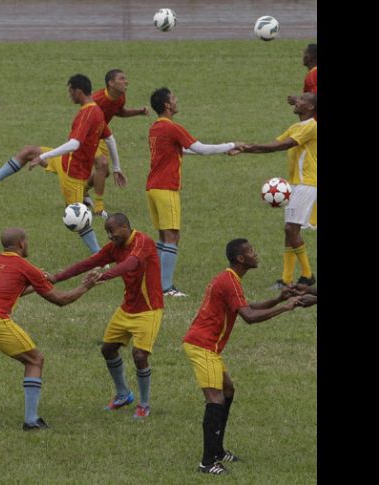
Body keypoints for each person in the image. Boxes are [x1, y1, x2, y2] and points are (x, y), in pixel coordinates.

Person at [0, 227, 100, 430]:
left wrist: (37, 282)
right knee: (35, 360)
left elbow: (11, 288)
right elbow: (61, 300)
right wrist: (86, 286)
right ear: (22, 243)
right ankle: (31, 421)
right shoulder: (25, 266)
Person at [0, 74, 122, 254]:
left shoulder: (87, 113)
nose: (69, 94)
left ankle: (99, 255)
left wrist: (44, 156)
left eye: (70, 91)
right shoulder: (97, 111)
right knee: (28, 151)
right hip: (65, 161)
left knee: (78, 219)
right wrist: (117, 167)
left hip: (72, 173)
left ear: (78, 91)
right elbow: (109, 138)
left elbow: (75, 144)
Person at [183, 238, 301, 475]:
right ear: (241, 259)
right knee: (215, 400)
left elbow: (248, 306)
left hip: (209, 347)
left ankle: (217, 450)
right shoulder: (229, 281)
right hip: (202, 345)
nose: (255, 254)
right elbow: (249, 316)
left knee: (228, 390)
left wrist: (279, 299)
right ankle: (207, 463)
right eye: (250, 252)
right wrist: (284, 308)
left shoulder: (230, 280)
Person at [44, 213, 162, 420]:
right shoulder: (115, 247)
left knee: (140, 355)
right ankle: (123, 394)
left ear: (125, 227)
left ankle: (144, 404)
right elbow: (88, 263)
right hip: (127, 308)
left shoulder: (143, 242)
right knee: (108, 349)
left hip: (149, 310)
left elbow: (130, 264)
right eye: (107, 232)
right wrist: (56, 277)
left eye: (112, 231)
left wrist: (103, 276)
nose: (109, 236)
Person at [146, 87, 240, 297]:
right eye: (173, 98)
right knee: (173, 236)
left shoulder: (155, 127)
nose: (177, 100)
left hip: (152, 188)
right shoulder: (172, 128)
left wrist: (224, 151)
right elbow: (201, 148)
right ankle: (166, 288)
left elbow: (180, 150)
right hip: (166, 187)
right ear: (167, 105)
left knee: (163, 236)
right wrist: (232, 144)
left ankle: (157, 285)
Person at [230, 93, 317, 288]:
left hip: (307, 183)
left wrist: (249, 146)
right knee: (289, 232)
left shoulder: (311, 126)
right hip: (295, 184)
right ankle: (286, 280)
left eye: (302, 100)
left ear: (310, 107)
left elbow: (283, 145)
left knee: (290, 228)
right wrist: (245, 148)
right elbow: (274, 144)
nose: (297, 102)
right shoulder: (296, 127)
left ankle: (308, 275)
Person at [85, 69, 148, 217]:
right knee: (103, 165)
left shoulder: (120, 97)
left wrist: (138, 112)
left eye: (125, 79)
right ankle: (99, 208)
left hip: (100, 136)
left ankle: (81, 191)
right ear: (111, 83)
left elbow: (119, 111)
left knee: (104, 172)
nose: (126, 82)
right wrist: (117, 167)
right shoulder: (96, 100)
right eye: (121, 79)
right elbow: (85, 120)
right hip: (87, 136)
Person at [287, 44, 317, 229]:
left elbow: (314, 101)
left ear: (311, 56)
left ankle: (311, 220)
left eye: (304, 53)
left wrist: (299, 101)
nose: (302, 56)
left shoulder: (313, 74)